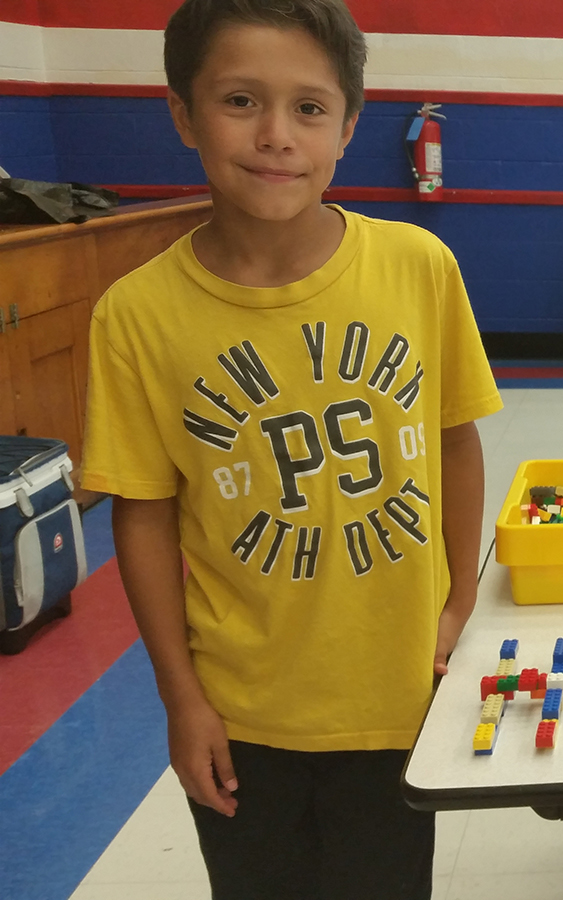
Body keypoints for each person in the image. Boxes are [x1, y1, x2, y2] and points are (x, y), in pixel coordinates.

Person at [80, 1, 502, 897]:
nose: (276, 135)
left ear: (348, 127)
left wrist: (460, 603)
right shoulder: (137, 315)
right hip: (243, 714)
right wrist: (181, 699)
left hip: (396, 697)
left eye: (309, 108)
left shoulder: (420, 267)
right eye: (240, 101)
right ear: (184, 113)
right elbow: (145, 514)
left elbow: (455, 443)